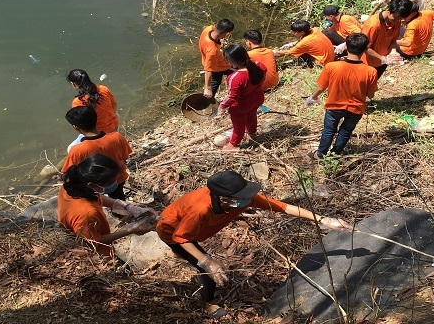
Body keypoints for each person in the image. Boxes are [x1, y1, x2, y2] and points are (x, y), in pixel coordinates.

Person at [156, 170, 351, 318]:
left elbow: (283, 207)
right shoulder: (200, 210)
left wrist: (324, 219)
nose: (249, 200)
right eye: (243, 198)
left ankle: (182, 255)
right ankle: (208, 303)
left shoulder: (241, 199)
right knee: (206, 271)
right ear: (224, 199)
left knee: (194, 253)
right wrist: (208, 261)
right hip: (172, 232)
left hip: (192, 232)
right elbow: (181, 238)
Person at [58, 154, 157, 257]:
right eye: (110, 182)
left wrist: (128, 207)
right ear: (91, 185)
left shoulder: (72, 185)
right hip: (97, 254)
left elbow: (95, 197)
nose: (115, 183)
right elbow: (94, 242)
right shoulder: (87, 213)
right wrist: (130, 230)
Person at [305, 33, 378, 159]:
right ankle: (336, 153)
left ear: (346, 47)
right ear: (365, 50)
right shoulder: (371, 71)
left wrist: (312, 98)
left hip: (334, 107)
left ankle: (320, 154)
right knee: (345, 132)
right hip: (356, 109)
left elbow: (321, 87)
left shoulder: (332, 66)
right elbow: (371, 95)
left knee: (328, 131)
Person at [62, 106, 132, 200]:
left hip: (94, 185)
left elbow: (69, 173)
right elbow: (125, 156)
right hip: (118, 178)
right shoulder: (117, 137)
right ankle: (122, 212)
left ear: (76, 127)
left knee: (97, 200)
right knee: (118, 197)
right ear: (96, 119)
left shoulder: (77, 150)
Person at [218, 44, 267, 151]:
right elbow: (262, 79)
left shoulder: (235, 77)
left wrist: (222, 106)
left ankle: (234, 144)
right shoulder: (259, 65)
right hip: (257, 99)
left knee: (238, 126)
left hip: (241, 106)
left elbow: (232, 97)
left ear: (231, 61)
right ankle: (251, 133)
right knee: (252, 116)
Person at [361, 0, 414, 78]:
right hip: (368, 63)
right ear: (388, 10)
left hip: (382, 62)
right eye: (396, 17)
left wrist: (393, 52)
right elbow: (364, 47)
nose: (397, 20)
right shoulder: (373, 25)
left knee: (374, 83)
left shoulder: (396, 21)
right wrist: (382, 58)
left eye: (400, 18)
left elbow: (393, 39)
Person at [68, 69, 119, 134]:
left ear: (73, 84)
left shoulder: (78, 102)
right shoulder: (103, 88)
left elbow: (81, 125)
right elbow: (114, 105)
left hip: (98, 134)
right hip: (114, 126)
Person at [199, 19, 234, 99]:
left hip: (206, 59)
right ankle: (208, 97)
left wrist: (219, 40)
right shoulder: (213, 50)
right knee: (239, 69)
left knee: (215, 82)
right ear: (227, 33)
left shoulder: (208, 29)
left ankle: (207, 101)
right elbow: (208, 69)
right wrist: (207, 87)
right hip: (219, 66)